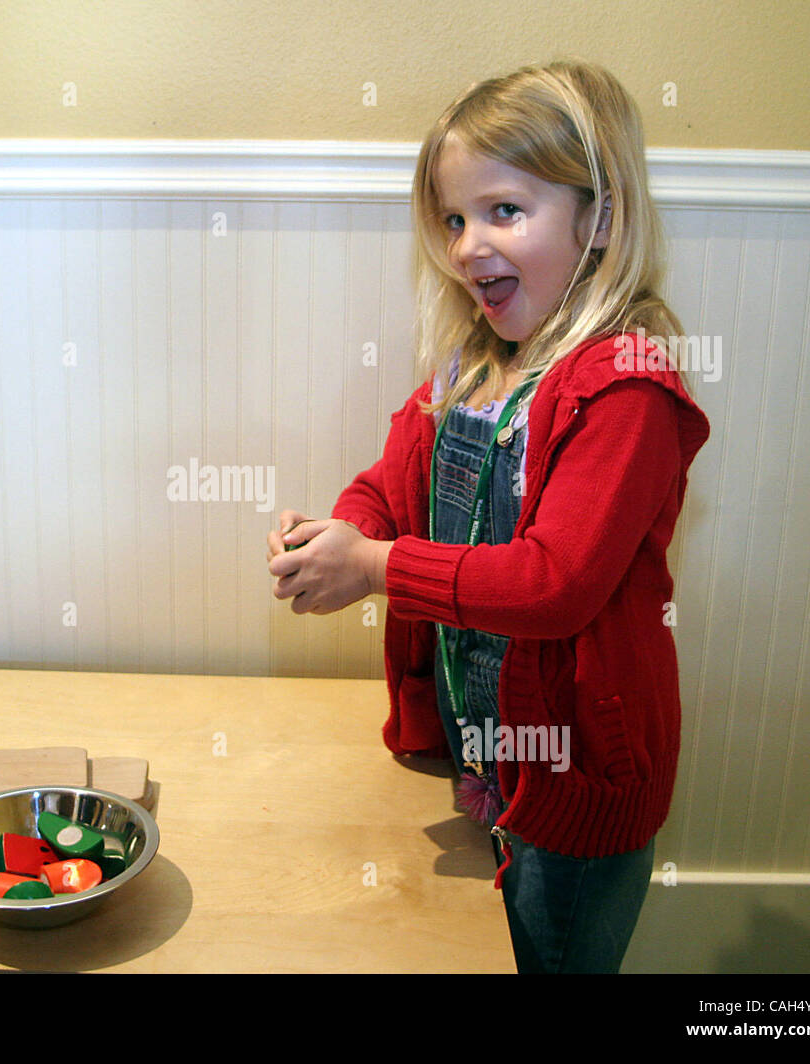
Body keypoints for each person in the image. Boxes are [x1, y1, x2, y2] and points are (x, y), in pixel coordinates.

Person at [265, 59, 711, 974]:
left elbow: (555, 583)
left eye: (505, 211)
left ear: (602, 220)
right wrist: (337, 536)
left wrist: (378, 567)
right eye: (456, 219)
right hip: (485, 754)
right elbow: (390, 487)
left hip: (576, 780)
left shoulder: (627, 388)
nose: (469, 245)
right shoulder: (473, 366)